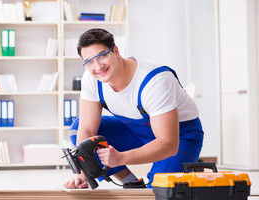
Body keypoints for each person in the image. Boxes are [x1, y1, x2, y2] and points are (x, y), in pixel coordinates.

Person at [63, 28, 204, 189]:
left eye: (102, 56)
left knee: (157, 192)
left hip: (179, 136)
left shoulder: (155, 81)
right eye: (89, 61)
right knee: (78, 130)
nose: (97, 66)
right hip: (136, 130)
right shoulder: (91, 79)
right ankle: (131, 182)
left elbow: (168, 143)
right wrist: (83, 173)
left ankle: (186, 164)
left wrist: (121, 158)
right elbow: (87, 130)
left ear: (115, 51)